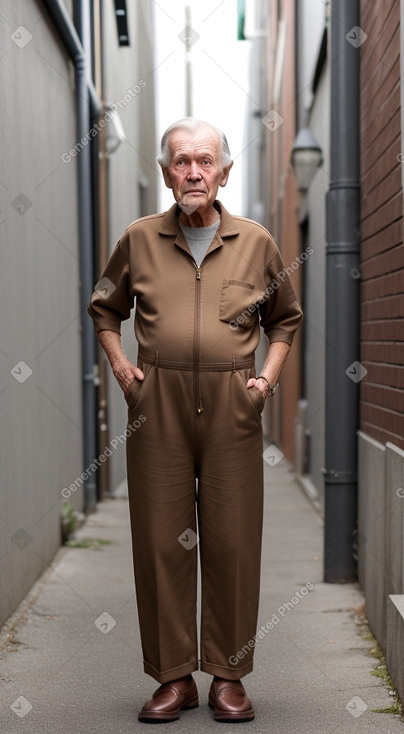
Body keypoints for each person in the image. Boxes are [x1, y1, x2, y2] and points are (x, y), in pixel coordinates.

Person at [87, 118, 303, 723]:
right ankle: (173, 676)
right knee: (160, 541)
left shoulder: (257, 242)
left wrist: (266, 382)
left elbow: (286, 318)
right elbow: (104, 306)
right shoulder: (138, 240)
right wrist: (126, 372)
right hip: (157, 408)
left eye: (205, 161)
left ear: (224, 172)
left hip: (235, 408)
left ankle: (228, 677)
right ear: (164, 173)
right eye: (181, 161)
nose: (193, 172)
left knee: (233, 541)